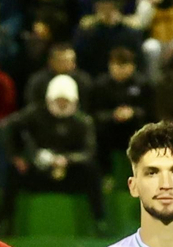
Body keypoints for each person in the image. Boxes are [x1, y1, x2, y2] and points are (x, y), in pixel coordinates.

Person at [11, 74, 108, 235]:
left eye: (66, 101)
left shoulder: (83, 122)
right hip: (41, 171)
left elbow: (89, 152)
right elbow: (9, 128)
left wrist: (67, 160)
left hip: (71, 173)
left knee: (92, 171)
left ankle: (99, 220)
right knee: (13, 171)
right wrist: (19, 156)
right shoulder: (34, 116)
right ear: (49, 100)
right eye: (58, 101)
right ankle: (7, 221)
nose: (62, 105)